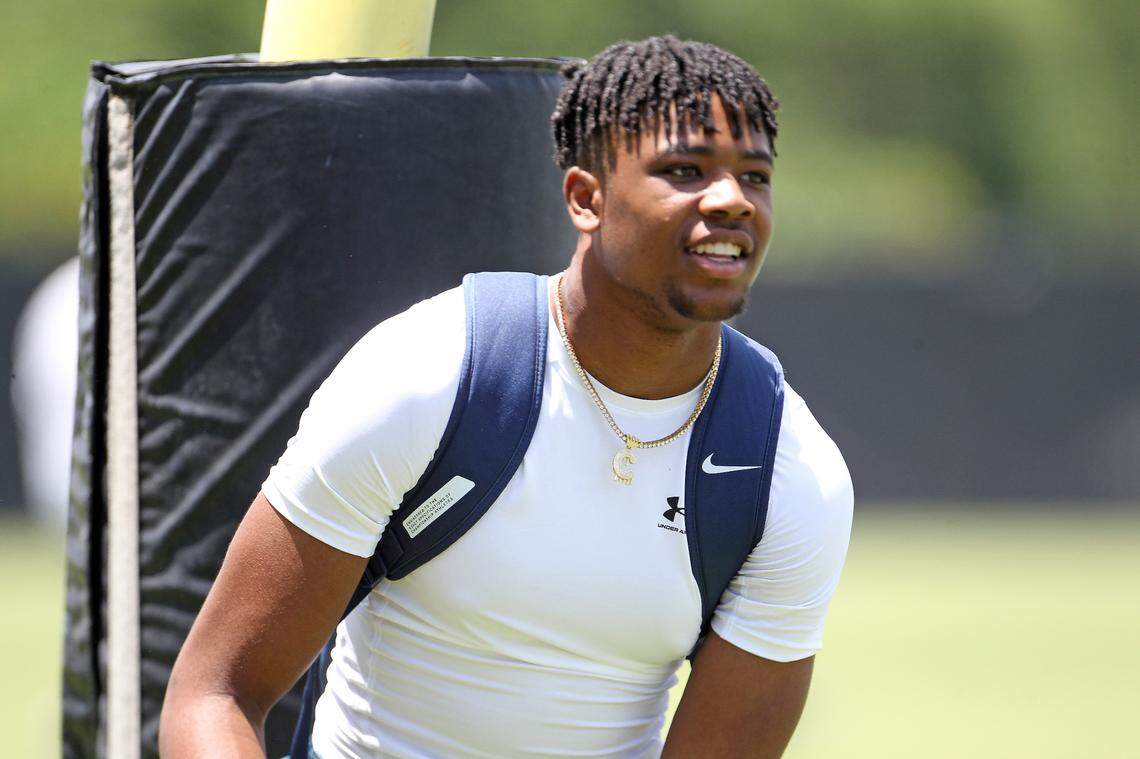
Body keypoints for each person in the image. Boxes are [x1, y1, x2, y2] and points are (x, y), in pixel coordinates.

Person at [160, 35, 854, 759]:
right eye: (684, 170)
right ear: (587, 198)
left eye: (755, 176)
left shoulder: (790, 474)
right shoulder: (426, 374)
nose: (732, 200)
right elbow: (215, 692)